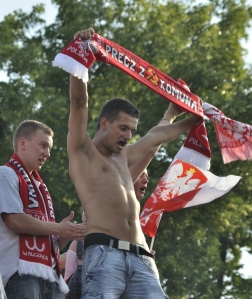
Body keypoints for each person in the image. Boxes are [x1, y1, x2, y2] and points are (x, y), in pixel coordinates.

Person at [67, 27, 201, 299]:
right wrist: (80, 56)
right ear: (104, 123)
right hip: (104, 254)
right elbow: (79, 102)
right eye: (123, 128)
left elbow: (155, 138)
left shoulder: (123, 156)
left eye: (132, 131)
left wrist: (195, 119)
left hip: (142, 259)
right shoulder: (83, 152)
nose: (128, 136)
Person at [0, 120, 86, 299]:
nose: (47, 153)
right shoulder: (3, 173)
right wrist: (58, 228)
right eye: (43, 145)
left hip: (50, 275)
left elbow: (50, 242)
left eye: (49, 149)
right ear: (22, 143)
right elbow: (14, 220)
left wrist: (65, 234)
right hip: (19, 275)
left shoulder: (40, 188)